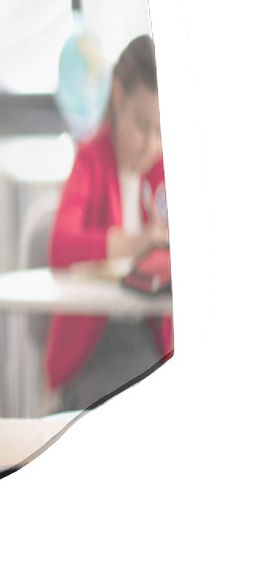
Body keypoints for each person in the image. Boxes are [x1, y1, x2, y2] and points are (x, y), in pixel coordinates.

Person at [45, 34, 173, 411]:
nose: (151, 143)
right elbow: (61, 246)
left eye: (163, 132)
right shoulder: (90, 161)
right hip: (94, 350)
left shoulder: (163, 170)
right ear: (117, 96)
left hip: (150, 341)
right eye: (142, 124)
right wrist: (138, 242)